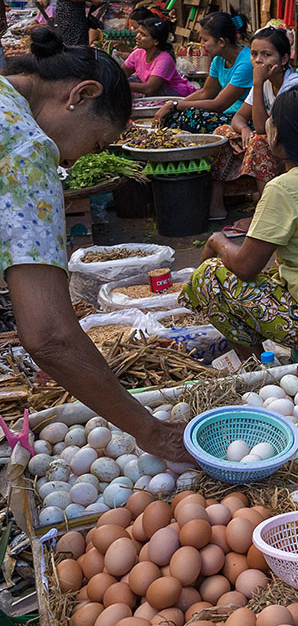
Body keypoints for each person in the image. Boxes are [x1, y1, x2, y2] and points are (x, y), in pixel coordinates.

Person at [0, 28, 189, 462]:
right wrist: (151, 431)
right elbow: (49, 336)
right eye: (97, 143)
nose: (81, 159)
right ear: (81, 95)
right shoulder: (27, 149)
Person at [183, 85, 298, 356]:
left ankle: (257, 368)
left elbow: (246, 267)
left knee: (209, 276)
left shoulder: (282, 189)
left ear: (276, 136)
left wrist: (217, 241)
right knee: (275, 269)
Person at [209, 27, 298, 228]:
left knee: (259, 142)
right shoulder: (265, 82)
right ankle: (216, 205)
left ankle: (266, 214)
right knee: (222, 133)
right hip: (275, 141)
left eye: (266, 55)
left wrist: (258, 82)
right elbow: (238, 117)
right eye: (254, 54)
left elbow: (262, 129)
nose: (259, 60)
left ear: (284, 59)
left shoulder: (292, 86)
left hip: (297, 151)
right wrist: (244, 129)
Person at [154, 11, 251, 145]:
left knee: (192, 116)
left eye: (205, 40)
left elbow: (219, 104)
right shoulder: (219, 59)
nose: (202, 44)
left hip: (242, 118)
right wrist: (171, 107)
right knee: (173, 116)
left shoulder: (246, 63)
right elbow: (206, 92)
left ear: (221, 42)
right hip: (227, 112)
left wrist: (175, 105)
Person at [124, 17, 195, 97]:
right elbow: (121, 73)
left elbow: (150, 89)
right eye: (138, 32)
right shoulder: (138, 53)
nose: (137, 37)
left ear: (156, 41)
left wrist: (122, 84)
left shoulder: (164, 60)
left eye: (143, 35)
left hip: (176, 95)